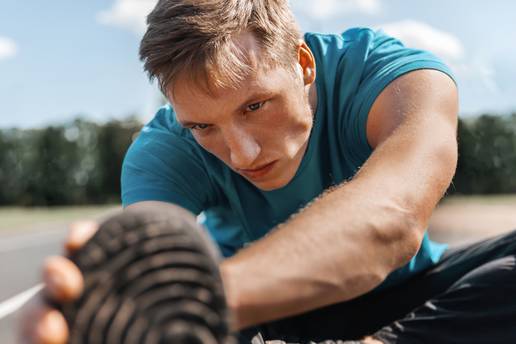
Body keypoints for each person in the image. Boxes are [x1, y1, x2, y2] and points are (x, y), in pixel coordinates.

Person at [22, 0, 516, 343]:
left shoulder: (391, 76)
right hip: (265, 319)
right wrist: (116, 305)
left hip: (411, 299)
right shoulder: (161, 151)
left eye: (255, 105)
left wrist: (200, 300)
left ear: (303, 64)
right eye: (203, 126)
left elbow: (393, 219)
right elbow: (155, 253)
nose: (241, 153)